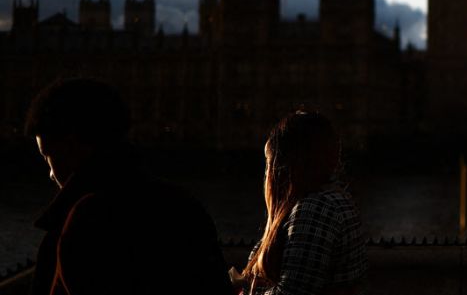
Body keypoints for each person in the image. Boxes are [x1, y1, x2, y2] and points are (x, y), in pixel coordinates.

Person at [24, 77, 231, 295]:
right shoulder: (185, 206)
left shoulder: (88, 219)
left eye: (48, 156)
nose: (50, 173)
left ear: (72, 146)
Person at [233, 111, 367, 295]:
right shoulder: (330, 200)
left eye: (268, 163)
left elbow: (293, 291)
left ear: (282, 166)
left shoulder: (315, 209)